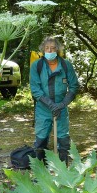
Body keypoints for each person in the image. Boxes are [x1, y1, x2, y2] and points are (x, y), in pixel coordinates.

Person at [29, 36, 79, 165]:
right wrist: (51, 105)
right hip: (43, 109)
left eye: (53, 48)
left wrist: (62, 105)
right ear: (42, 50)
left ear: (58, 49)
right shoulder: (37, 66)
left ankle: (63, 171)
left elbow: (74, 87)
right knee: (40, 141)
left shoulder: (66, 65)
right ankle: (40, 171)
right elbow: (35, 89)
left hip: (61, 109)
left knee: (63, 142)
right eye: (47, 48)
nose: (50, 51)